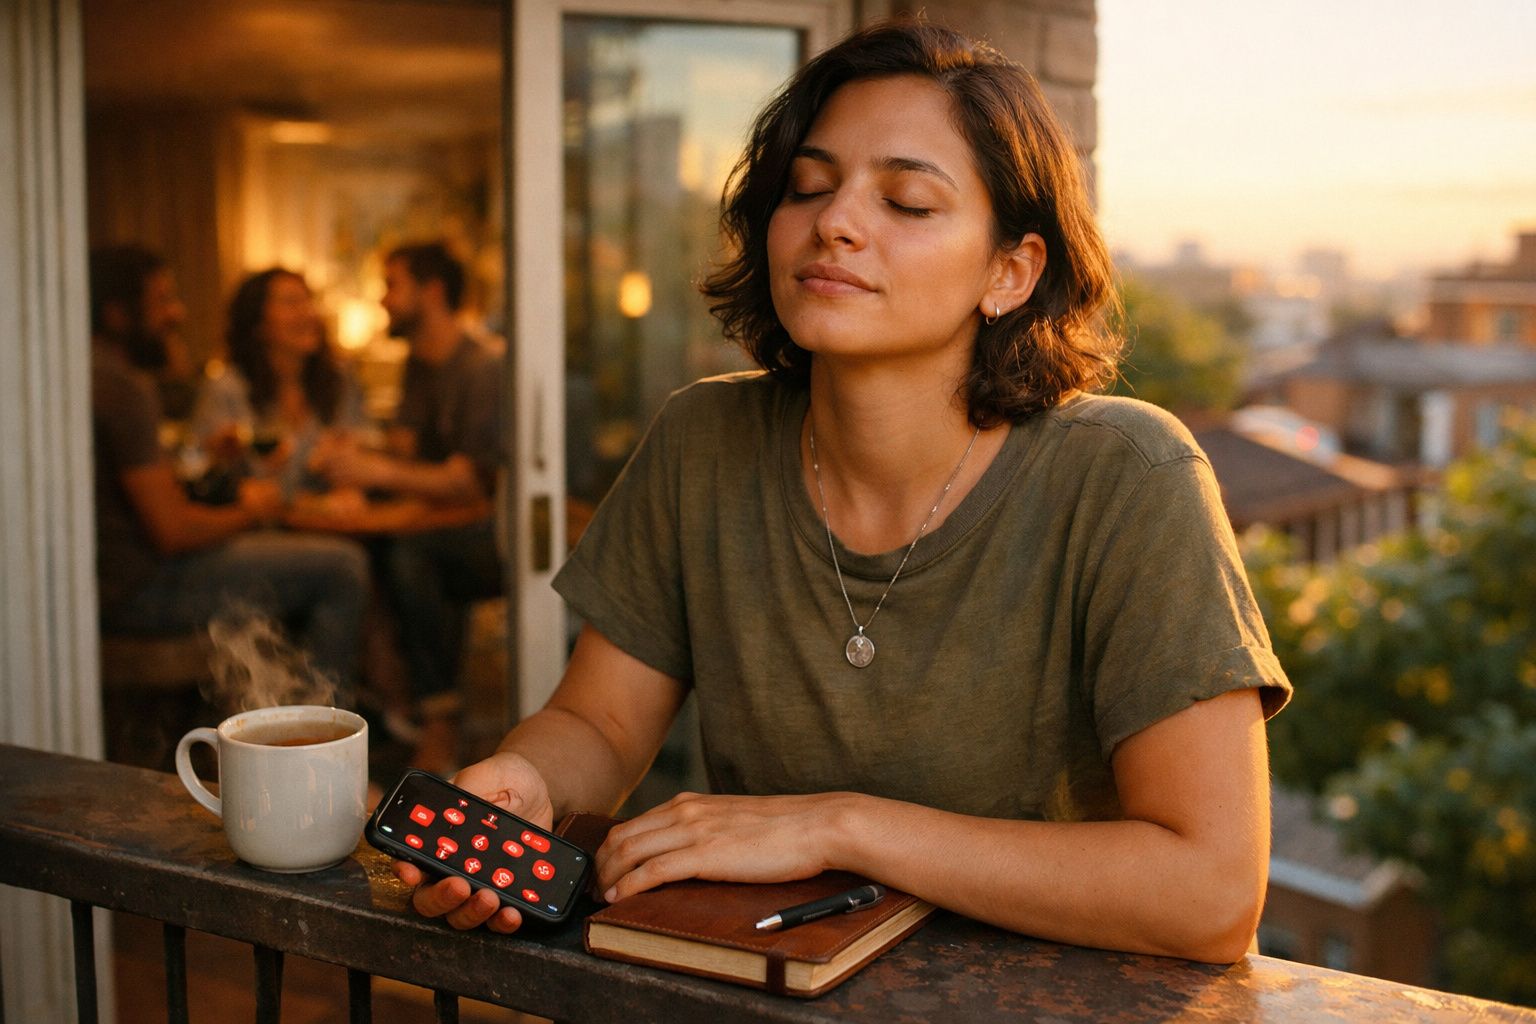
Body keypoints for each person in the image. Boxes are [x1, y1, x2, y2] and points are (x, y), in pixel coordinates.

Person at [395, 20, 1291, 963]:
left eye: (907, 201)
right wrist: (530, 781)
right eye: (809, 187)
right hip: (758, 982)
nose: (835, 221)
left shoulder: (1126, 476)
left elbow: (1212, 893)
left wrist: (839, 826)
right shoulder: (703, 441)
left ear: (1010, 271)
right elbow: (599, 722)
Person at [91, 245, 370, 701]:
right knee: (344, 568)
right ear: (118, 314)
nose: (177, 313)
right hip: (136, 589)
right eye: (162, 301)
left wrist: (212, 465)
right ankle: (319, 735)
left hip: (126, 577)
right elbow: (173, 530)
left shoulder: (103, 377)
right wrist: (253, 510)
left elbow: (164, 489)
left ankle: (319, 711)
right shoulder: (122, 389)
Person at [309, 242, 504, 771]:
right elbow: (403, 453)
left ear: (432, 292)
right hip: (439, 521)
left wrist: (375, 471)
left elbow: (467, 485)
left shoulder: (482, 367)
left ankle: (438, 719)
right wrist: (354, 454)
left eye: (392, 285)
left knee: (408, 555)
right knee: (364, 553)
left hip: (502, 536)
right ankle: (391, 704)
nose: (382, 300)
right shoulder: (420, 365)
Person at [191, 267, 360, 499]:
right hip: (254, 527)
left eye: (309, 301)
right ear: (257, 323)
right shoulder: (226, 388)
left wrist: (351, 474)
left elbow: (366, 448)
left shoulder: (340, 380)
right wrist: (220, 457)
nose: (308, 313)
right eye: (291, 303)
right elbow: (194, 468)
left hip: (325, 523)